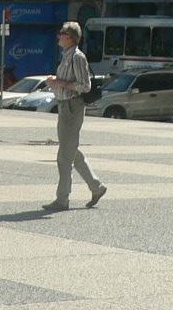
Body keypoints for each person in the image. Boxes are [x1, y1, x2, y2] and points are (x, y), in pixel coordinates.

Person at [43, 22, 106, 211]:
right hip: (64, 106)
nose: (58, 36)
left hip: (73, 107)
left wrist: (59, 82)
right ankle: (97, 187)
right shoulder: (66, 56)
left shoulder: (78, 57)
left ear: (70, 37)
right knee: (71, 151)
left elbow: (85, 86)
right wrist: (56, 83)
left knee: (64, 156)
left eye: (61, 33)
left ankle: (62, 200)